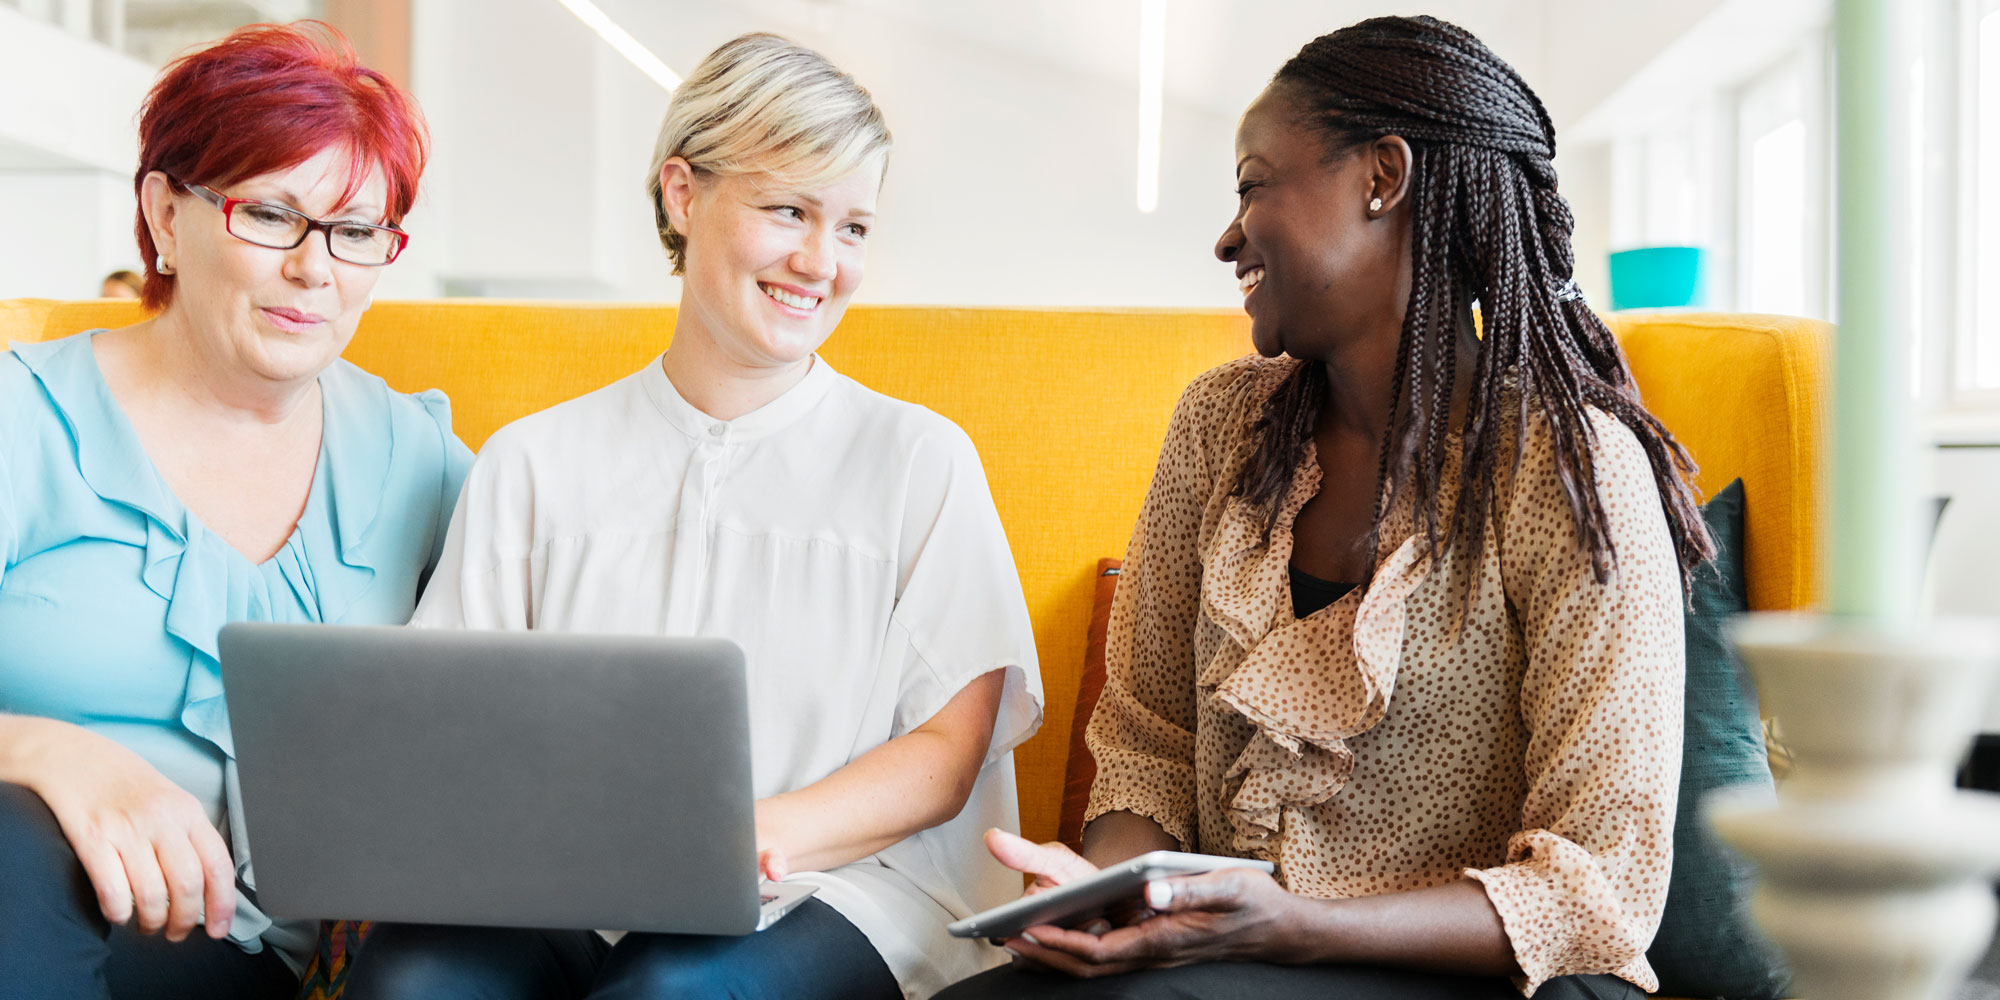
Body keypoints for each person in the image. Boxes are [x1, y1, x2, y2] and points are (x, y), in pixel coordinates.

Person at [941, 15, 1711, 1000]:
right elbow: (1145, 749)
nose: (1226, 236)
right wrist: (1112, 897)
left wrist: (1296, 925)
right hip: (1240, 957)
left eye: (1253, 184)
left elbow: (1597, 884)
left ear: (1378, 178)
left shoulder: (1565, 467)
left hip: (1499, 976)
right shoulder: (1218, 427)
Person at [342, 33, 1043, 1000]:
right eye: (787, 209)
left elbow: (942, 760)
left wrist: (744, 840)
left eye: (853, 228)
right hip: (571, 890)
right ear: (682, 193)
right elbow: (451, 721)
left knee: (669, 993)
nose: (820, 260)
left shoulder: (918, 460)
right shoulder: (536, 461)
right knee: (408, 981)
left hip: (843, 889)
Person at [0, 21, 469, 1000]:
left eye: (356, 232)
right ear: (166, 216)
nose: (314, 269)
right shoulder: (23, 421)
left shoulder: (414, 458)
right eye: (271, 216)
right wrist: (38, 746)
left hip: (231, 954)